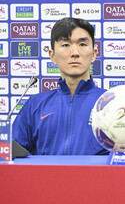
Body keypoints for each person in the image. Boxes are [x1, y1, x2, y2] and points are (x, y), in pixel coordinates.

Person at [13, 17, 108, 155]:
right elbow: (13, 155)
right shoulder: (35, 105)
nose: (75, 53)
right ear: (52, 56)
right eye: (65, 45)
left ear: (94, 54)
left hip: (97, 177)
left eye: (82, 44)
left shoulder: (111, 102)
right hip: (45, 177)